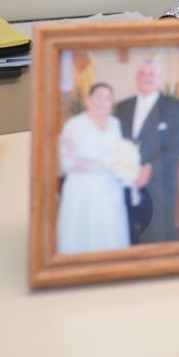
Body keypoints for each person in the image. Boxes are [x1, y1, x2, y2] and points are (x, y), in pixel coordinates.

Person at [116, 56, 179, 244]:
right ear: (136, 77)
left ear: (159, 79)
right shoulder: (122, 107)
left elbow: (175, 146)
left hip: (159, 184)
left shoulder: (174, 107)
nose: (146, 78)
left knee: (158, 240)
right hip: (124, 185)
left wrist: (149, 169)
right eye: (142, 73)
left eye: (152, 74)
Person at [57, 82, 131, 254]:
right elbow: (65, 162)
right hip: (82, 189)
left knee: (109, 231)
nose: (102, 102)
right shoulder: (74, 125)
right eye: (99, 96)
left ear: (112, 103)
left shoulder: (115, 124)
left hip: (110, 190)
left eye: (108, 98)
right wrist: (100, 164)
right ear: (89, 99)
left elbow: (120, 153)